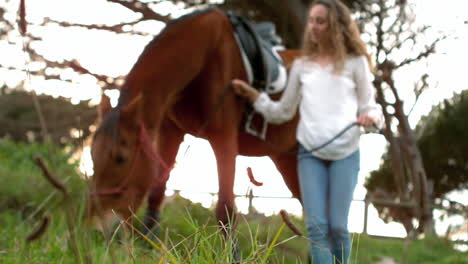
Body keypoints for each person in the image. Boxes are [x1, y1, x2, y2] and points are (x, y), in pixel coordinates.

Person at [231, 0, 384, 263]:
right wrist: (255, 97)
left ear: (335, 26)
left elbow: (371, 105)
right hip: (309, 155)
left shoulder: (355, 63)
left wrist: (371, 117)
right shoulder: (302, 66)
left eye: (320, 21)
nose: (312, 26)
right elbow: (283, 112)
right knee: (316, 227)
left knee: (337, 227)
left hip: (345, 154)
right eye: (311, 20)